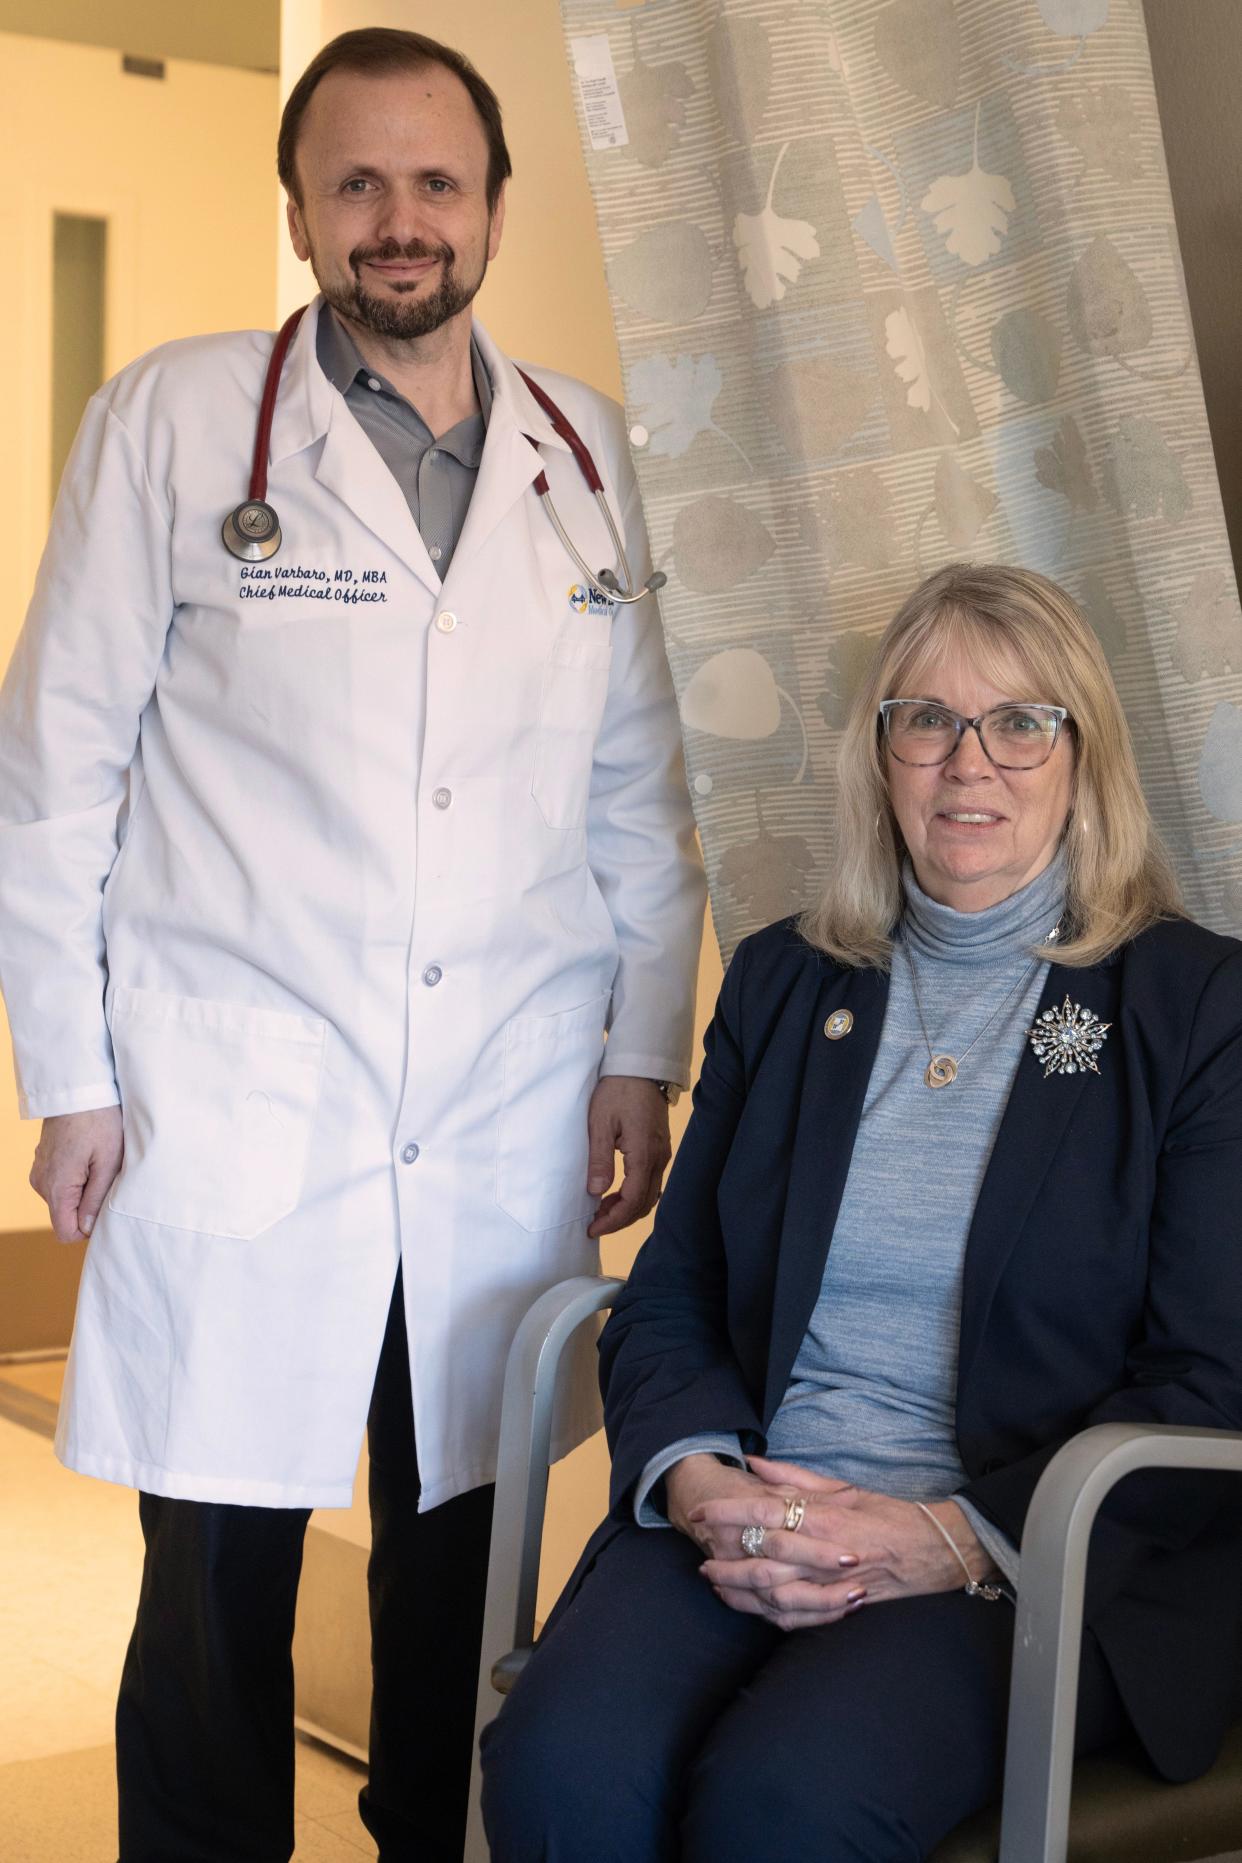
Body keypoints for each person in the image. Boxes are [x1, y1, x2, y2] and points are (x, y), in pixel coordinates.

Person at [0, 27, 705, 1863]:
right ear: (301, 204)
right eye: (360, 183)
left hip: (503, 1109)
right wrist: (68, 1081)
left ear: (491, 206)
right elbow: (54, 776)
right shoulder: (174, 421)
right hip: (237, 1102)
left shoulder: (588, 455)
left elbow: (642, 790)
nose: (401, 222)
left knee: (455, 1579)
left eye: (437, 182)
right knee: (214, 1593)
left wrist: (645, 1051)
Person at [480, 563, 1242, 1861]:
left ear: (1080, 754)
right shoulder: (786, 981)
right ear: (878, 750)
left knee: (783, 1804)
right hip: (759, 1499)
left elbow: (1210, 1372)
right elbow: (671, 1294)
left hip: (1027, 1551)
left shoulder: (1187, 1009)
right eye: (924, 719)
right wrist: (704, 1487)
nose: (967, 763)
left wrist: (946, 1536)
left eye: (1019, 722)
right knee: (557, 1768)